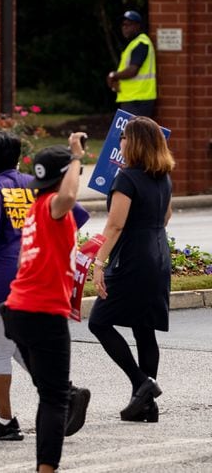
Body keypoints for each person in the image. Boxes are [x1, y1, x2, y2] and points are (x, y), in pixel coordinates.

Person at [0, 131, 90, 441]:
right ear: (19, 156)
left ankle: (6, 421)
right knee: (19, 343)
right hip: (34, 273)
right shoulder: (37, 184)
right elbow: (77, 215)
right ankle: (64, 391)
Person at [0, 133, 86, 473]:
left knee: (49, 393)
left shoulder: (35, 209)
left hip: (18, 311)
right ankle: (46, 468)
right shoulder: (52, 208)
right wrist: (78, 156)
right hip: (43, 312)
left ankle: (45, 464)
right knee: (54, 399)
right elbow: (67, 195)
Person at [88, 116, 173, 423]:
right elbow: (166, 218)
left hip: (134, 260)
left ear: (134, 143)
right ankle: (146, 406)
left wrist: (99, 263)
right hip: (159, 255)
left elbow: (116, 224)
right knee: (144, 328)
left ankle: (142, 384)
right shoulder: (163, 177)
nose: (120, 142)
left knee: (99, 321)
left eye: (124, 137)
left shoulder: (127, 178)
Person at [106, 10, 157, 119]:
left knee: (133, 134)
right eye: (123, 25)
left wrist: (113, 75)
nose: (124, 28)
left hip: (138, 99)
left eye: (128, 25)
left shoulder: (141, 43)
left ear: (137, 26)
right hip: (133, 97)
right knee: (130, 134)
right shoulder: (133, 44)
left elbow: (133, 70)